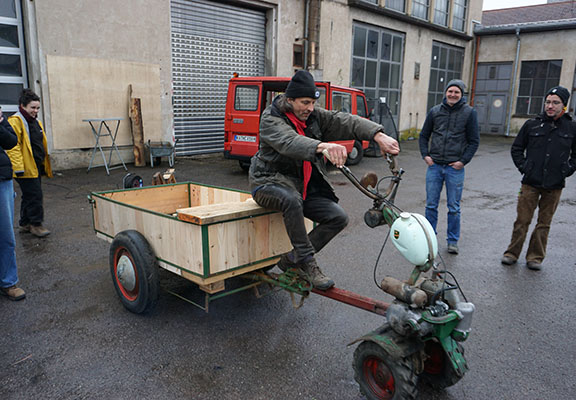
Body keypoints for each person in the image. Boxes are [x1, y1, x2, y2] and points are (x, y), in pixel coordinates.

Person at [249, 70, 399, 290]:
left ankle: (292, 260)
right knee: (291, 199)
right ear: (289, 100)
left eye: (313, 102)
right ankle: (307, 262)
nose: (310, 108)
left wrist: (378, 135)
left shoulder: (313, 116)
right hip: (268, 182)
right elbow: (289, 142)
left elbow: (345, 121)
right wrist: (322, 146)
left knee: (338, 217)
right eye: (305, 102)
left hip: (300, 186)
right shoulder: (271, 118)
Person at [501, 86, 576, 270]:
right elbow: (517, 149)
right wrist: (525, 167)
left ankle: (535, 257)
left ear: (563, 106)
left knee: (544, 223)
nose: (550, 106)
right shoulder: (532, 125)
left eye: (555, 103)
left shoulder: (571, 127)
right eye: (548, 102)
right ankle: (511, 253)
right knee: (522, 220)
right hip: (530, 183)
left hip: (554, 184)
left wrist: (567, 169)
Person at [419, 79, 480, 255]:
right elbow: (424, 135)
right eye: (450, 91)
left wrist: (463, 161)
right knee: (431, 205)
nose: (453, 95)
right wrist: (426, 156)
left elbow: (474, 141)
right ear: (445, 93)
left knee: (453, 208)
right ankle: (429, 240)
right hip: (435, 166)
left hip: (455, 169)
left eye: (457, 92)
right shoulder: (435, 111)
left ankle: (452, 241)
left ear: (462, 95)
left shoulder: (469, 113)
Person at [7, 89, 53, 238]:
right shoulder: (16, 121)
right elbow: (13, 147)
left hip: (35, 166)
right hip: (25, 168)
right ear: (23, 106)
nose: (35, 110)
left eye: (38, 108)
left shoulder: (35, 122)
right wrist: (19, 168)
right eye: (32, 107)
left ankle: (25, 223)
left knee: (28, 195)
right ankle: (36, 224)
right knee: (35, 195)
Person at [0, 107, 26, 300]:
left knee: (5, 234)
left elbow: (11, 142)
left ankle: (8, 282)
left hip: (2, 180)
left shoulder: (1, 117)